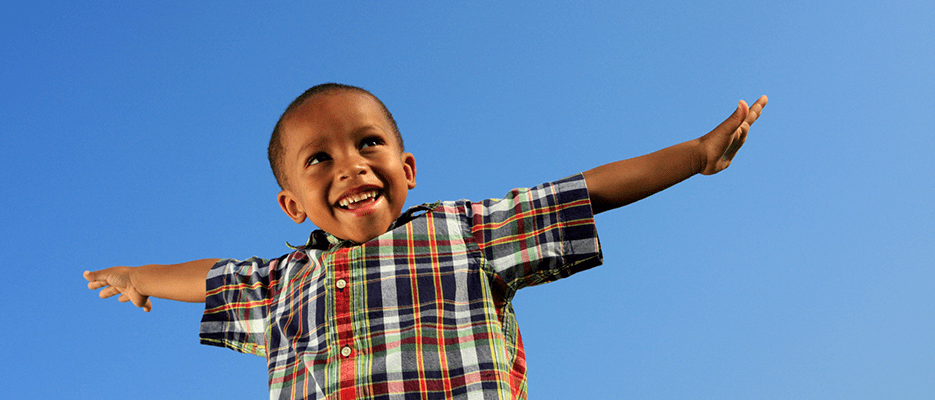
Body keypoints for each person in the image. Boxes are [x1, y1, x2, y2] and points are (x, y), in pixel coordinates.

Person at [85, 83, 767, 399]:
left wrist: (696, 154)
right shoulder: (283, 283)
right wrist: (137, 277)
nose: (350, 165)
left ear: (405, 170)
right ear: (292, 204)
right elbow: (210, 278)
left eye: (367, 143)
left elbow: (583, 192)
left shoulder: (463, 233)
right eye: (318, 159)